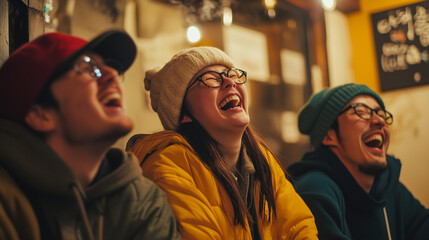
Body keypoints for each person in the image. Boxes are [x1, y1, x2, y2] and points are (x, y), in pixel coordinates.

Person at [0, 30, 180, 240]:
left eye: (110, 68)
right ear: (40, 115)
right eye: (88, 67)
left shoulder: (143, 201)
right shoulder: (6, 199)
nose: (112, 74)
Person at [126, 46, 318, 239]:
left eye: (232, 75)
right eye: (211, 79)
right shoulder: (169, 165)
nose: (229, 82)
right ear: (184, 114)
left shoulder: (262, 159)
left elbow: (300, 227)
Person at [287, 83, 429, 239]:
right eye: (360, 112)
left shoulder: (389, 187)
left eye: (381, 114)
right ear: (329, 136)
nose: (379, 121)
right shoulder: (314, 191)